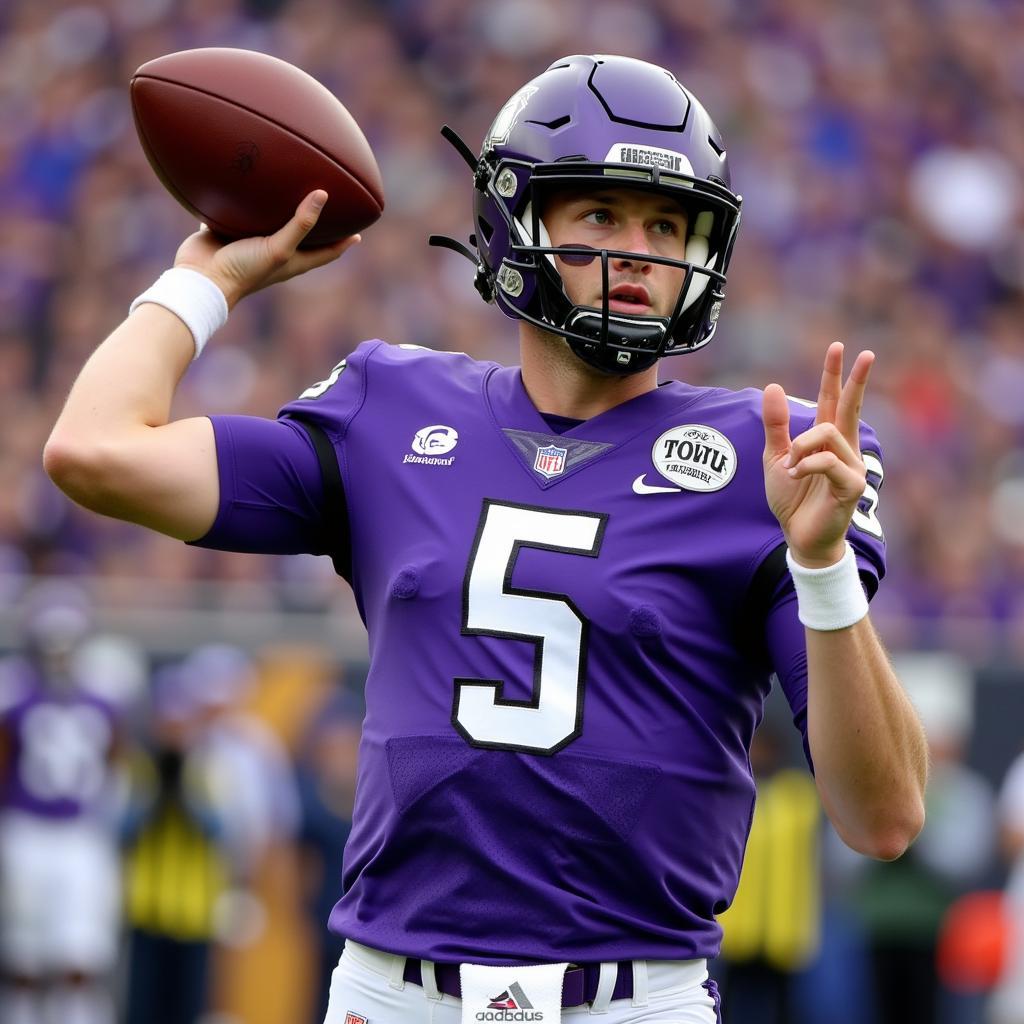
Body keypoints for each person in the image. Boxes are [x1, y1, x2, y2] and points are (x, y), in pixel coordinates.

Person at [43, 53, 928, 1024]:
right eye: (601, 214)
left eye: (666, 223)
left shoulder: (767, 450)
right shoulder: (390, 408)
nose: (639, 250)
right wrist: (202, 283)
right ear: (517, 223)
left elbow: (881, 817)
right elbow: (95, 450)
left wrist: (821, 566)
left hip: (632, 999)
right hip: (392, 992)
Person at [0, 583, 125, 1024]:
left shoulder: (105, 691)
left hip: (81, 832)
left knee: (81, 957)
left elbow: (115, 763)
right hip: (26, 827)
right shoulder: (14, 691)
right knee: (24, 959)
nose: (59, 653)